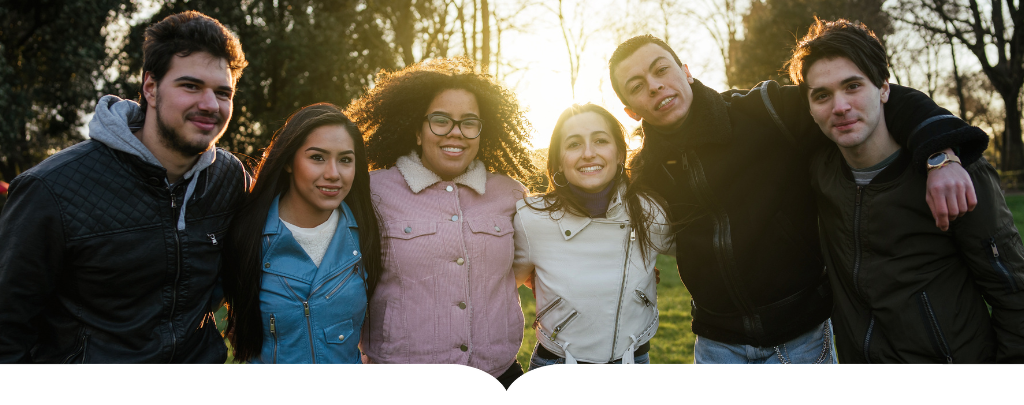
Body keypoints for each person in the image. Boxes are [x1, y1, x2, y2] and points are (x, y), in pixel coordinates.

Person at [608, 33, 988, 364]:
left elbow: (869, 99)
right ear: (630, 110)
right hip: (716, 344)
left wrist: (940, 153)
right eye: (637, 85)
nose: (655, 86)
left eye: (661, 70)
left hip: (801, 336)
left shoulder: (765, 111)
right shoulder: (646, 172)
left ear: (686, 71)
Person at [0, 11, 249, 363]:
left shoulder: (230, 179)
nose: (210, 104)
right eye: (190, 86)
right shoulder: (49, 189)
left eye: (223, 92)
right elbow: (7, 332)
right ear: (150, 87)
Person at [789, 18, 1024, 363]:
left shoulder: (957, 174)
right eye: (822, 95)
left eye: (853, 86)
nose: (839, 107)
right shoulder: (819, 173)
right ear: (809, 107)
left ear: (884, 88)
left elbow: (1014, 293)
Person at [347, 58, 534, 387]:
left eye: (469, 122)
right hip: (401, 382)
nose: (456, 133)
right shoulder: (371, 191)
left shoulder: (510, 193)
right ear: (417, 131)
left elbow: (525, 266)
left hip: (496, 378)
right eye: (440, 120)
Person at [221, 103, 384, 364]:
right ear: (288, 162)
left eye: (345, 160)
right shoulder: (247, 234)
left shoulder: (367, 231)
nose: (333, 174)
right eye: (317, 157)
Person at [512, 103, 673, 368]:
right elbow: (503, 287)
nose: (588, 153)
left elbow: (700, 253)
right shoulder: (531, 217)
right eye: (574, 144)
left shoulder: (650, 210)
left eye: (600, 140)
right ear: (559, 160)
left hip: (634, 363)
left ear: (620, 153)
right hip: (557, 366)